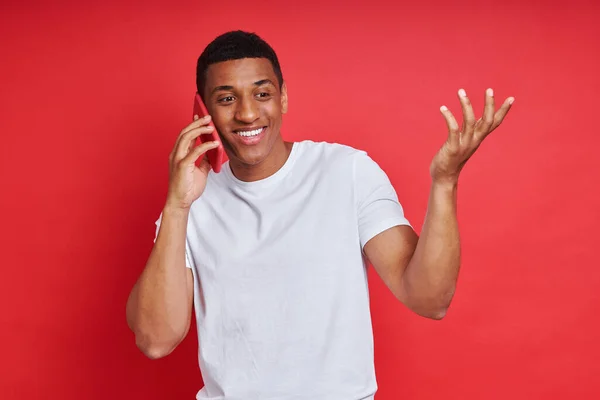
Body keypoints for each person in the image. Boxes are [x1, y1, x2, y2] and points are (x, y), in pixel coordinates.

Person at [125, 30, 514, 400]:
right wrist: (177, 207)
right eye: (226, 99)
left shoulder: (347, 172)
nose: (247, 113)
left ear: (283, 99)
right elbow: (156, 339)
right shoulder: (192, 200)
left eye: (262, 94)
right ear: (203, 111)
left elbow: (430, 299)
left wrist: (444, 183)